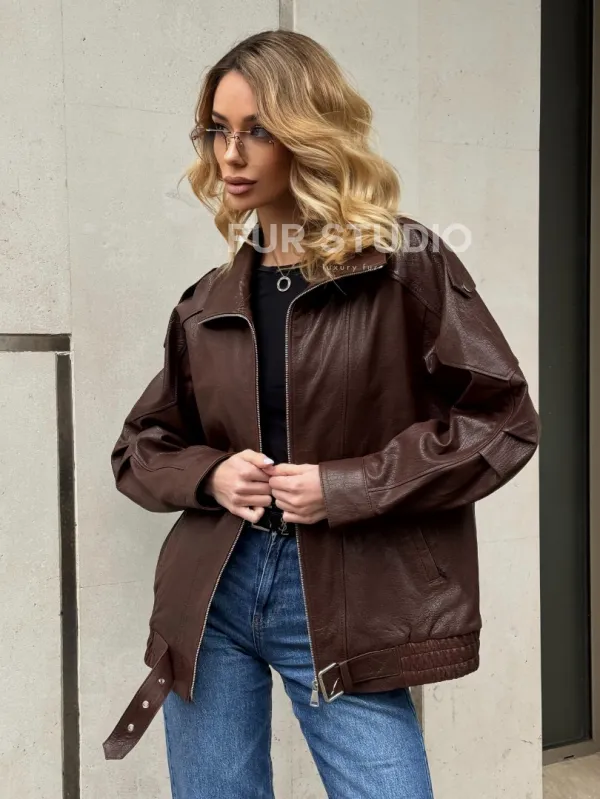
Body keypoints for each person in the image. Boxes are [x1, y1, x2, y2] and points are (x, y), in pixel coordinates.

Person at [102, 29, 540, 799]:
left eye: (257, 130)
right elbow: (140, 445)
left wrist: (346, 486)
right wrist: (213, 475)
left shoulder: (403, 264)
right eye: (218, 130)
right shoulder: (207, 300)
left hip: (345, 594)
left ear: (308, 132)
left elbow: (503, 420)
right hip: (213, 595)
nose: (230, 154)